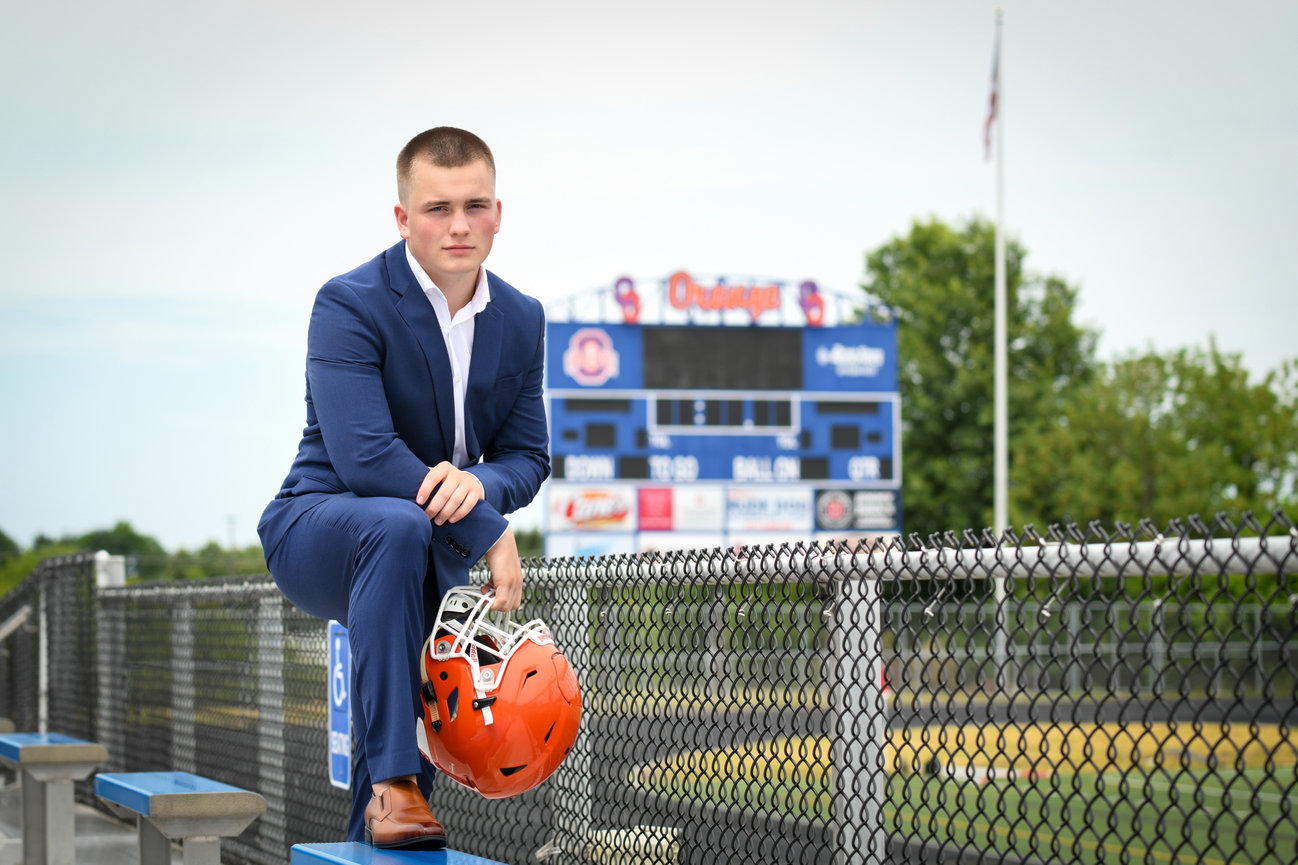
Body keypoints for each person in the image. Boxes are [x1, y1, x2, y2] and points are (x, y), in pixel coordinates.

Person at [257, 127, 550, 849]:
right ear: (402, 218)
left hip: (425, 547)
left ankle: (387, 798)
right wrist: (488, 525)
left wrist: (475, 484)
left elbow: (527, 456)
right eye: (437, 208)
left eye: (474, 205)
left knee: (417, 756)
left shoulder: (522, 317)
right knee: (395, 525)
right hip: (322, 525)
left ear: (498, 212)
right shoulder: (349, 302)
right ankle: (394, 784)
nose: (458, 225)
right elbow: (363, 457)